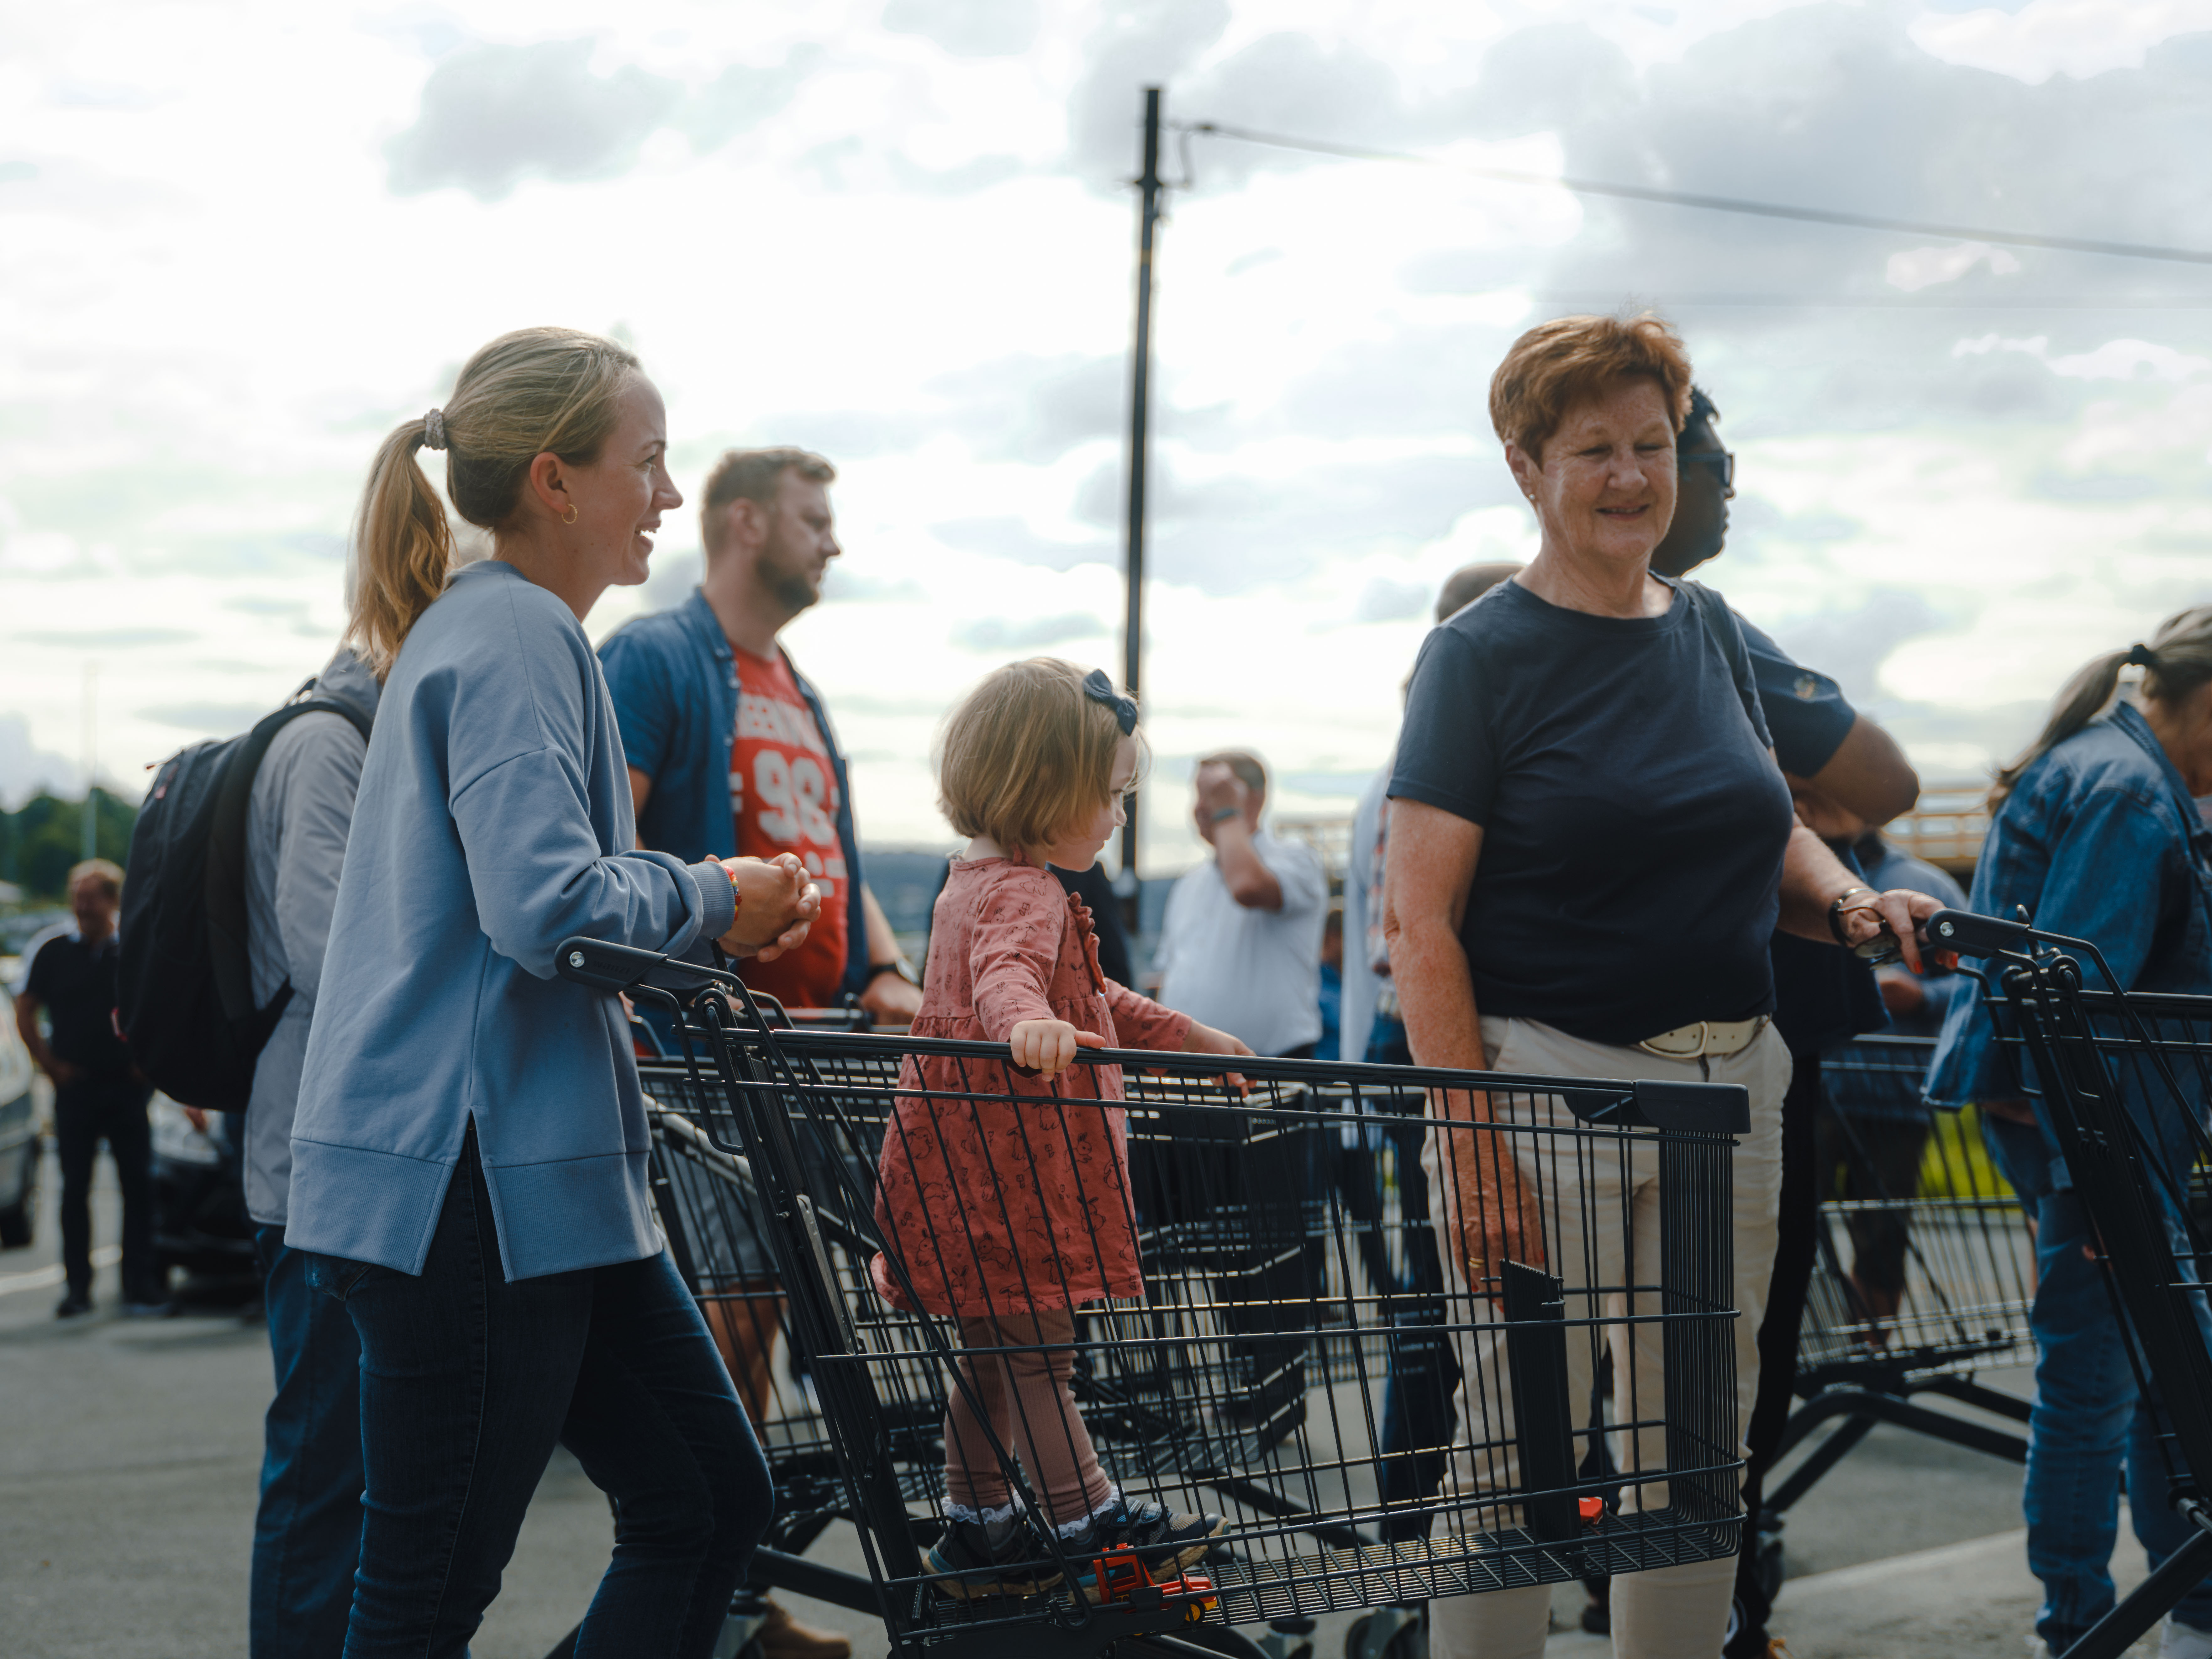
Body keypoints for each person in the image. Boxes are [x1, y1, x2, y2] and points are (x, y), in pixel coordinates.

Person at [1382, 312, 1940, 1659]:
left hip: (1730, 1091)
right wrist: (1466, 1144)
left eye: (1650, 445)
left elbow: (1769, 820)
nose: (1631, 475)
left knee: (1692, 1466)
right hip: (1543, 1093)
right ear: (1525, 467)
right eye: (1593, 451)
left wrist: (1847, 901)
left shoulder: (1709, 630)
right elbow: (1418, 919)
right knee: (1512, 1460)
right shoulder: (1477, 657)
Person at [287, 325, 820, 1659]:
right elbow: (542, 906)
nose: (665, 493)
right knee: (423, 1597)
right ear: (554, 482)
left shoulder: (490, 633)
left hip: (530, 1187)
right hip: (465, 1187)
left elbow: (515, 905)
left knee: (708, 1497)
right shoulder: (518, 636)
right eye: (645, 463)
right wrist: (713, 897)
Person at [868, 658, 1250, 1598]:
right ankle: (1089, 1520)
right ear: (1044, 790)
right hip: (1009, 1182)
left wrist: (1181, 1033)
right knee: (1040, 1353)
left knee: (996, 1356)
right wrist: (1022, 1028)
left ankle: (980, 1526)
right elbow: (1010, 981)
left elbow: (1090, 994)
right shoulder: (1024, 894)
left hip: (961, 1175)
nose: (1121, 817)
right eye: (1111, 796)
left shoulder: (977, 879)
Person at [1646, 385, 1921, 1658]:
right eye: (1716, 466)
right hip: (1733, 1040)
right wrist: (1780, 798)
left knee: (1679, 1355)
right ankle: (1716, 1599)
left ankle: (1692, 1589)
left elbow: (1865, 800)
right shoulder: (1706, 632)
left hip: (1744, 1029)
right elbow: (1882, 783)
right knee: (1727, 1344)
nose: (1727, 491)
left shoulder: (1692, 635)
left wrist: (1764, 799)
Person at [1925, 609, 2212, 1659]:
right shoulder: (2132, 797)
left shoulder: (2111, 769)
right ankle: (2082, 1629)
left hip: (2096, 1129)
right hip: (2097, 1135)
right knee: (2099, 1383)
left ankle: (2176, 1612)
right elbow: (2076, 1005)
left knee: (2150, 1370)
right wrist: (2087, 1170)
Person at [600, 446, 921, 1024]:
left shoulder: (804, 692)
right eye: (814, 523)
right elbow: (606, 836)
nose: (833, 546)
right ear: (746, 521)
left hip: (816, 1049)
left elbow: (835, 853)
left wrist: (887, 970)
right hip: (701, 1057)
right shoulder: (652, 657)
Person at [241, 645, 380, 1659]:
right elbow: (326, 950)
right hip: (317, 1171)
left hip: (339, 1161)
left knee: (357, 1468)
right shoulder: (330, 745)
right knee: (326, 1465)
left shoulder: (347, 737)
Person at [13, 859, 162, 1318]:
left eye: (90, 897)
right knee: (74, 1188)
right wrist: (50, 1065)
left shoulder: (134, 948)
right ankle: (77, 1289)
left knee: (137, 1188)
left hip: (126, 1087)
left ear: (112, 901)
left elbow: (161, 1005)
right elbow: (25, 1007)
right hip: (75, 1087)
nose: (81, 906)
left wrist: (149, 1065)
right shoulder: (53, 949)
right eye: (76, 896)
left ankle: (141, 1288)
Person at [1153, 750, 1327, 1059]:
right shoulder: (1189, 883)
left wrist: (1227, 814)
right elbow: (1167, 973)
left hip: (1270, 1068)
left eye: (1217, 794)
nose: (1203, 808)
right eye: (1200, 795)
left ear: (1256, 799)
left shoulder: (1296, 858)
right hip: (1188, 1069)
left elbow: (1246, 886)